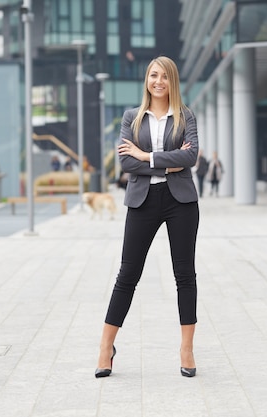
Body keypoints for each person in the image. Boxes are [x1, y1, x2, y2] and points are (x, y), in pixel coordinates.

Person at [95, 56, 200, 379]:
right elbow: (127, 164)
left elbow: (191, 156)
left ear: (173, 82)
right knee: (128, 274)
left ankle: (186, 349)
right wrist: (169, 162)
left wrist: (148, 156)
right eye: (153, 75)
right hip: (142, 200)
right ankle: (105, 347)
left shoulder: (185, 116)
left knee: (184, 274)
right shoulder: (132, 118)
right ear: (147, 80)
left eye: (164, 77)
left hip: (180, 200)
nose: (158, 82)